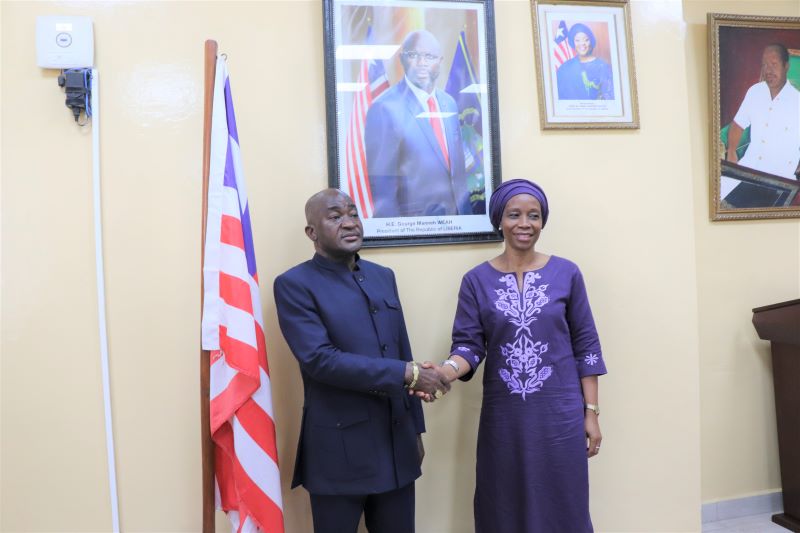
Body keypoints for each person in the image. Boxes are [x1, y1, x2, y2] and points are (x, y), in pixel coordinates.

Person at [273, 188, 450, 533]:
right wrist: (408, 374)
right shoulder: (294, 284)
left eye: (353, 214)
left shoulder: (383, 275)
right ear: (312, 233)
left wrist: (416, 428)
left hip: (396, 447)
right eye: (335, 216)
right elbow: (320, 360)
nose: (349, 222)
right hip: (339, 454)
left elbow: (402, 348)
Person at [436, 179, 607, 532]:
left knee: (563, 499)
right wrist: (445, 372)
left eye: (534, 215)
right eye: (514, 215)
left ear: (543, 221)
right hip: (505, 417)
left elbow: (586, 346)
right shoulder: (476, 281)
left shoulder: (567, 273)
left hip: (560, 414)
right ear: (500, 219)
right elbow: (468, 346)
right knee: (504, 498)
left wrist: (590, 413)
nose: (525, 224)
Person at [365, 30, 472, 218]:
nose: (422, 63)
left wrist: (469, 220)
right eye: (413, 55)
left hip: (458, 223)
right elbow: (383, 189)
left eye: (429, 56)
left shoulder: (449, 104)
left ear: (440, 61)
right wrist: (397, 238)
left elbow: (458, 173)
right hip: (414, 227)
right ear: (401, 59)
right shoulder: (384, 108)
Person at [726, 43, 800, 180]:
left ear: (786, 66)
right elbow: (738, 124)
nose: (768, 70)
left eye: (773, 64)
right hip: (747, 168)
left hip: (778, 179)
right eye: (765, 65)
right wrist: (731, 152)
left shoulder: (797, 101)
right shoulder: (755, 91)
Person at [556, 23, 614, 101]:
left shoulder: (602, 66)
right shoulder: (564, 69)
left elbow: (610, 96)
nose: (582, 44)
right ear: (573, 43)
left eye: (586, 40)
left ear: (591, 41)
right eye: (577, 40)